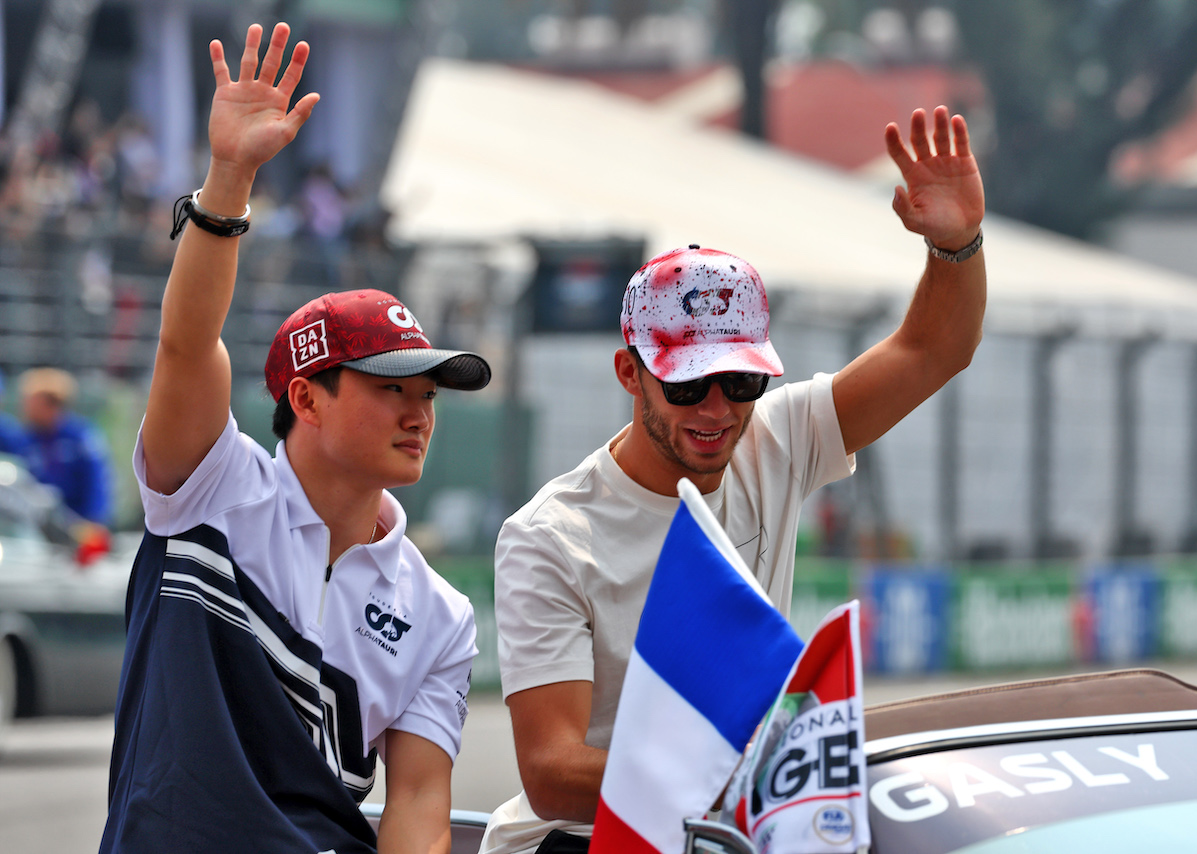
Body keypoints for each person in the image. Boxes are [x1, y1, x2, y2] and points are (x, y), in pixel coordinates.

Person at [482, 105, 986, 854]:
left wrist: (956, 245)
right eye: (687, 386)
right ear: (630, 373)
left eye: (741, 383)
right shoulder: (551, 538)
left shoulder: (774, 441)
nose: (717, 411)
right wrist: (757, 767)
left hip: (721, 830)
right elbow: (554, 774)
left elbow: (932, 351)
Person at [99, 23, 491, 854]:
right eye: (392, 390)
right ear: (306, 399)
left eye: (428, 394)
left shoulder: (443, 617)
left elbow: (419, 803)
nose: (420, 413)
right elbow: (186, 342)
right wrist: (231, 177)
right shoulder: (208, 489)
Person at [18, 366, 113, 526]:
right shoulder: (26, 438)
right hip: (38, 526)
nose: (27, 409)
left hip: (80, 526)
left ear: (52, 404)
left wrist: (91, 523)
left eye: (32, 403)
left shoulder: (81, 438)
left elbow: (98, 484)